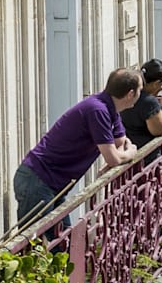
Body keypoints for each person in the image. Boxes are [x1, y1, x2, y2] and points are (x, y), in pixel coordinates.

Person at [15, 67, 142, 222]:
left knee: (62, 242)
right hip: (37, 180)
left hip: (50, 183)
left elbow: (120, 142)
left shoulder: (109, 109)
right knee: (34, 242)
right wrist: (130, 153)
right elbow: (114, 157)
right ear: (130, 94)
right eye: (140, 90)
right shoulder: (98, 110)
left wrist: (119, 154)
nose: (140, 94)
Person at [121, 58, 162, 149]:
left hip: (127, 149)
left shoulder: (127, 92)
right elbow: (160, 129)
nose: (161, 87)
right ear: (155, 83)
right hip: (146, 157)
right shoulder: (148, 102)